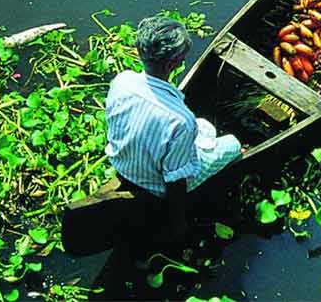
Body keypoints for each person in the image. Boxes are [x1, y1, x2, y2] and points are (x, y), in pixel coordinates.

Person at [100, 15, 242, 293]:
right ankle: (235, 154)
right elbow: (175, 183)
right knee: (232, 144)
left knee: (203, 127)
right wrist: (179, 224)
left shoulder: (122, 81)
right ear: (171, 64)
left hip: (123, 164)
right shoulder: (179, 121)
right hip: (155, 185)